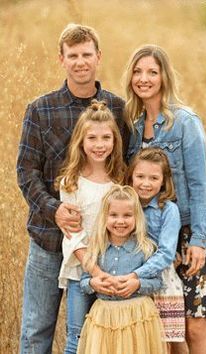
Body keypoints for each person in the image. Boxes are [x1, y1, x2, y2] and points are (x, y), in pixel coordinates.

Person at [16, 23, 129, 354]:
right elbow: (26, 171)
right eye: (73, 55)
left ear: (98, 57)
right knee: (36, 330)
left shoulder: (118, 109)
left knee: (93, 338)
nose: (81, 62)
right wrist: (55, 209)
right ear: (61, 60)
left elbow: (128, 168)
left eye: (87, 55)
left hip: (102, 249)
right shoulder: (40, 109)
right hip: (48, 241)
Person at [124, 44, 206, 354]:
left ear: (164, 77)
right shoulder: (134, 129)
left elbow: (199, 184)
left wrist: (199, 241)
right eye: (138, 72)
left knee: (194, 323)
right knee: (166, 326)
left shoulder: (185, 122)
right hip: (150, 234)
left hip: (188, 233)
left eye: (152, 72)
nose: (144, 79)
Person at [55, 99, 126, 353]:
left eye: (106, 138)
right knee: (77, 335)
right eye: (92, 138)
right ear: (80, 142)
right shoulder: (71, 182)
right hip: (82, 271)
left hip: (117, 270)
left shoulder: (120, 180)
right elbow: (72, 236)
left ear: (115, 141)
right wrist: (95, 272)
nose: (99, 145)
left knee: (110, 338)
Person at [77, 185, 167, 354]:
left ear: (136, 217)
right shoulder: (96, 248)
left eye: (127, 215)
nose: (120, 221)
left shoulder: (145, 248)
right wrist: (93, 283)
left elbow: (157, 282)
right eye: (113, 215)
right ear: (105, 217)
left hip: (137, 316)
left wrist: (137, 284)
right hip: (105, 317)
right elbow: (83, 281)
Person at [126, 147, 185, 351]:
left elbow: (167, 253)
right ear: (131, 176)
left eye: (153, 178)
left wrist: (137, 275)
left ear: (163, 181)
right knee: (142, 341)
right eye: (140, 176)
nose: (145, 183)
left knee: (167, 342)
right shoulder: (127, 206)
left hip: (161, 280)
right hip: (131, 277)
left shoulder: (168, 209)